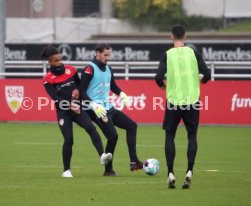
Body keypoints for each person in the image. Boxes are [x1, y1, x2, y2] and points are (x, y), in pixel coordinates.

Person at [41, 46, 112, 178]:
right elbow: (55, 98)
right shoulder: (47, 79)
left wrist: (77, 91)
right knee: (69, 139)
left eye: (61, 59)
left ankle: (102, 155)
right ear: (50, 62)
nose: (60, 62)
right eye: (56, 60)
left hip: (77, 108)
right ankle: (66, 170)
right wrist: (69, 105)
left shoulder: (71, 70)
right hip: (64, 112)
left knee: (91, 127)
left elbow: (80, 87)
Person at [155, 25, 211, 189]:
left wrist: (164, 86)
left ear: (171, 37)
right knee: (192, 136)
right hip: (192, 100)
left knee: (170, 135)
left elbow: (158, 77)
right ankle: (189, 172)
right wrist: (200, 80)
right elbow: (207, 75)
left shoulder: (167, 54)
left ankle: (171, 173)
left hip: (173, 101)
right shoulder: (193, 53)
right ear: (185, 36)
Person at [80, 43, 143, 176]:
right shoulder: (89, 69)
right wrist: (93, 105)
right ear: (97, 53)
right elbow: (81, 92)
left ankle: (134, 161)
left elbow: (113, 86)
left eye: (109, 55)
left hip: (108, 107)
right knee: (113, 136)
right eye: (105, 55)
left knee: (132, 126)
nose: (108, 58)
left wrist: (122, 94)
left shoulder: (108, 68)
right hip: (96, 110)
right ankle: (108, 170)